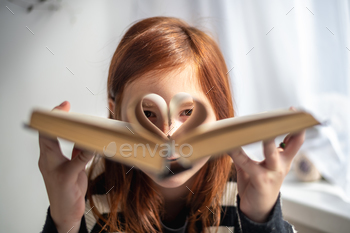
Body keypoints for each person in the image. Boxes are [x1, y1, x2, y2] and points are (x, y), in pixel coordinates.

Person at [40, 17, 303, 233]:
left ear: (221, 115)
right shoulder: (96, 188)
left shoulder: (243, 190)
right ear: (115, 113)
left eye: (187, 112)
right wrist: (65, 223)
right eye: (148, 113)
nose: (168, 136)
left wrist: (260, 219)